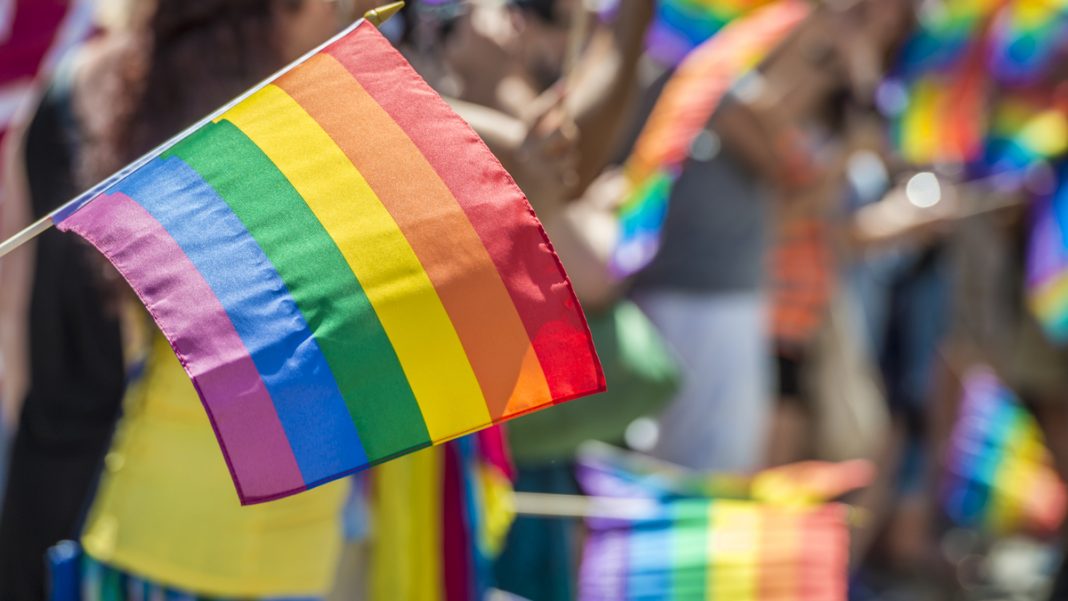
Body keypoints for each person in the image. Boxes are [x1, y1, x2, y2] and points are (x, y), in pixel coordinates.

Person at [0, 1, 356, 598]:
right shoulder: (271, 126)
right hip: (197, 541)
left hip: (50, 493)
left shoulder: (69, 87)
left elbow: (13, 327)